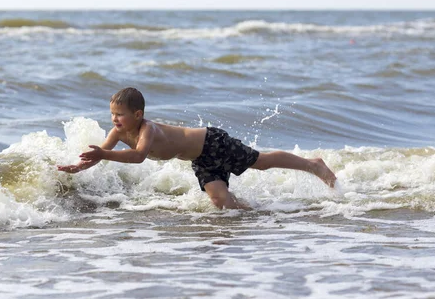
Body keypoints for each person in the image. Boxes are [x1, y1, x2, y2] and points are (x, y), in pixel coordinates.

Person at [57, 87, 337, 209]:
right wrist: (79, 166)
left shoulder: (147, 130)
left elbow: (139, 156)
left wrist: (104, 153)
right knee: (222, 204)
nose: (115, 120)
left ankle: (314, 165)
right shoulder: (116, 134)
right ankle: (262, 213)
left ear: (138, 114)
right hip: (200, 159)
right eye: (112, 115)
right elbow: (101, 154)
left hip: (212, 141)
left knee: (260, 161)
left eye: (120, 115)